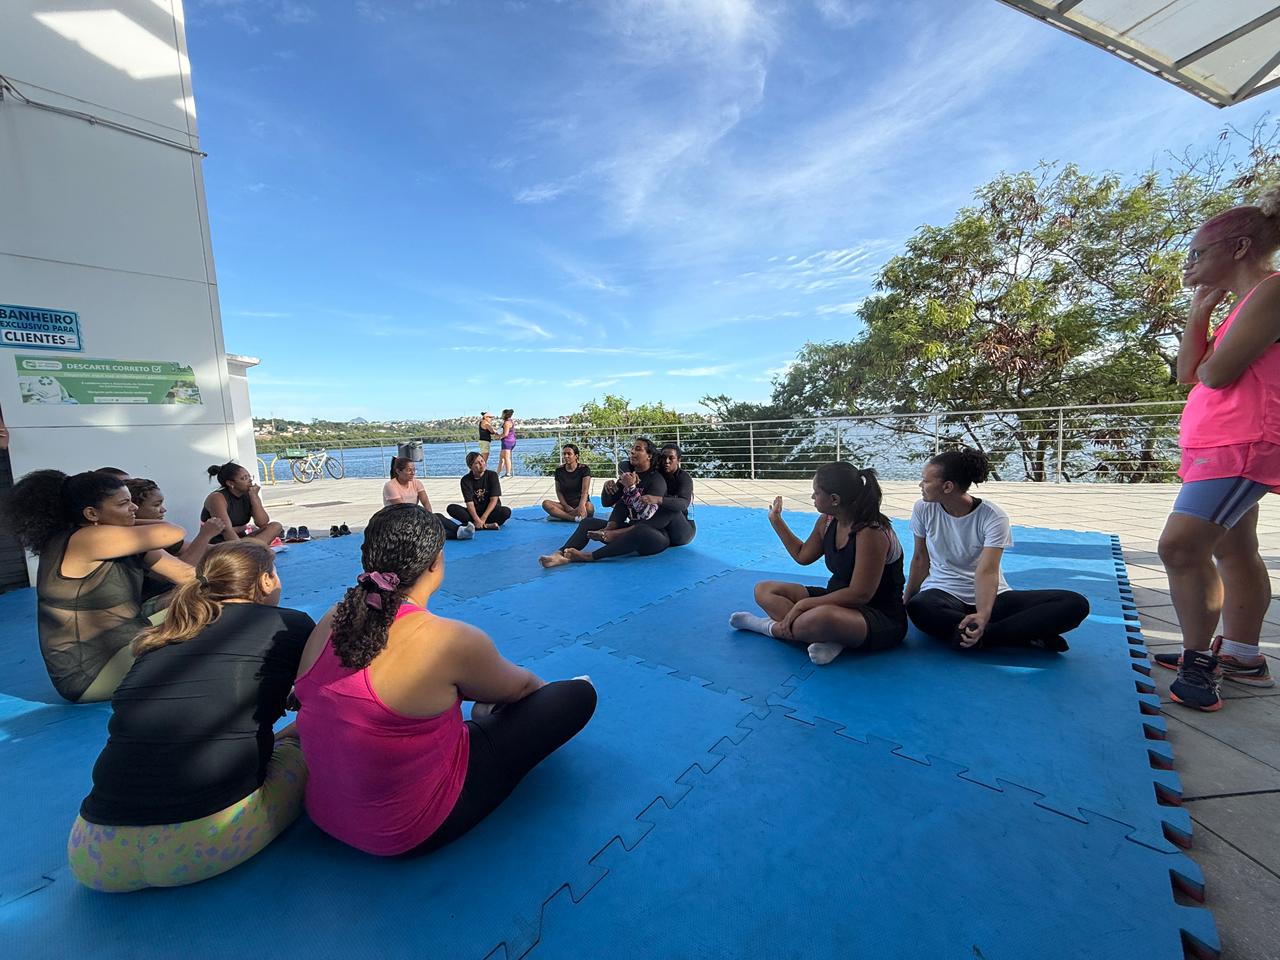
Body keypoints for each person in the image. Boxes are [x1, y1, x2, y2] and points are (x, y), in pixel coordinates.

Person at [293, 505, 596, 855]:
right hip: (407, 829)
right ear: (436, 561)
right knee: (578, 694)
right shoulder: (447, 641)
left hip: (325, 813)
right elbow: (526, 688)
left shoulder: (333, 617)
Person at [67, 542, 315, 892]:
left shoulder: (165, 634)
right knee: (312, 742)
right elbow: (321, 701)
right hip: (204, 842)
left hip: (93, 853)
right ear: (265, 582)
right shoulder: (291, 623)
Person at [1153, 188, 1280, 711]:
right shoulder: (1244, 305)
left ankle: (1198, 659)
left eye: (1197, 253)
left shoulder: (1273, 292)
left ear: (1239, 247)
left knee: (1180, 548)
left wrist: (1209, 357)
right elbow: (1189, 374)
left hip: (1242, 443)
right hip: (1218, 444)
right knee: (1232, 547)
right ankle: (1244, 654)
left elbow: (1217, 372)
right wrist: (1200, 310)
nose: (1190, 263)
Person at [1, 469, 194, 702]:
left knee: (210, 599)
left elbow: (188, 576)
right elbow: (172, 532)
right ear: (92, 514)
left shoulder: (118, 539)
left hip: (125, 642)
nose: (133, 508)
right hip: (91, 675)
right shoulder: (84, 540)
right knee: (209, 616)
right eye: (124, 503)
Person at [904, 449, 1089, 653]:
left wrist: (983, 614)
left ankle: (980, 635)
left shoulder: (993, 517)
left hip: (993, 597)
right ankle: (1019, 634)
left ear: (947, 486)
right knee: (919, 607)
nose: (920, 485)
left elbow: (987, 570)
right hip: (943, 595)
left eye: (925, 481)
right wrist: (906, 600)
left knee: (1074, 604)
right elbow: (921, 558)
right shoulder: (923, 509)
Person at [729, 463, 907, 665]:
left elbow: (860, 594)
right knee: (764, 590)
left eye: (816, 493)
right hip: (836, 599)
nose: (812, 498)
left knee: (819, 618)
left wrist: (804, 605)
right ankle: (833, 639)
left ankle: (766, 627)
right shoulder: (828, 521)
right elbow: (802, 555)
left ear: (834, 499)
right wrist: (776, 521)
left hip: (879, 615)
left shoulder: (871, 532)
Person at [539, 438, 669, 567]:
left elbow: (647, 514)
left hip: (653, 537)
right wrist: (607, 489)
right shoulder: (628, 477)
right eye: (632, 448)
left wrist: (631, 488)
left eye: (638, 449)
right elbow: (607, 502)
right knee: (588, 522)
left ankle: (588, 557)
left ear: (649, 456)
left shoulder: (657, 480)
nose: (632, 452)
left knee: (640, 530)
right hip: (627, 534)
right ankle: (559, 554)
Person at [127, 477, 225, 567]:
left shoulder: (158, 533)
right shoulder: (135, 537)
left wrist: (237, 545)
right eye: (156, 505)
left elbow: (207, 549)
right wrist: (205, 535)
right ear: (134, 507)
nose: (163, 510)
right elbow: (183, 570)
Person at [384, 456, 474, 540]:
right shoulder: (390, 486)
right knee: (425, 533)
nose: (413, 473)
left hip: (414, 516)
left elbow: (426, 502)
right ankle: (460, 533)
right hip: (398, 520)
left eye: (414, 469)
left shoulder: (416, 483)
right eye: (409, 470)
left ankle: (459, 530)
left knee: (437, 516)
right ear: (398, 471)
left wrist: (430, 518)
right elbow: (403, 509)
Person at [202, 461, 283, 546]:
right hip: (220, 543)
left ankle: (251, 549)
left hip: (241, 539)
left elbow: (262, 523)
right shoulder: (217, 498)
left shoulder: (249, 494)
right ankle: (248, 551)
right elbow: (227, 531)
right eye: (244, 478)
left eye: (249, 477)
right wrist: (241, 544)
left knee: (276, 526)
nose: (250, 480)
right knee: (247, 546)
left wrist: (254, 497)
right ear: (230, 483)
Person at [446, 452, 511, 530]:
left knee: (506, 512)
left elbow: (494, 499)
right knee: (451, 508)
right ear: (471, 467)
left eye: (482, 461)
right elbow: (469, 503)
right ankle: (486, 525)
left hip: (490, 512)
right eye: (477, 463)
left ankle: (476, 525)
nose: (481, 464)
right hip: (475, 513)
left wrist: (483, 519)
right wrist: (477, 519)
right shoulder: (465, 480)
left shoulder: (492, 475)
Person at [542, 443, 594, 522]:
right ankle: (573, 518)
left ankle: (560, 516)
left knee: (589, 508)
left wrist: (581, 506)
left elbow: (585, 491)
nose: (566, 456)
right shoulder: (559, 470)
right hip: (565, 506)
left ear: (576, 456)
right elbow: (558, 491)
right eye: (564, 454)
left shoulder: (584, 469)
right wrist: (566, 506)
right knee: (546, 504)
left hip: (581, 504)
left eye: (569, 454)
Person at [497, 409, 517, 478]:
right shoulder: (509, 421)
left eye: (502, 413)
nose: (501, 415)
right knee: (502, 458)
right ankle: (497, 474)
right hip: (511, 441)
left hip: (507, 441)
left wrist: (499, 436)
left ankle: (508, 473)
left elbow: (505, 434)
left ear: (505, 414)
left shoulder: (507, 423)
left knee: (506, 458)